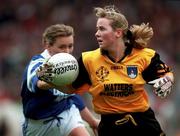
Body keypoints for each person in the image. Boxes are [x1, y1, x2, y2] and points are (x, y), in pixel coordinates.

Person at [37, 5, 174, 136]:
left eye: (102, 29)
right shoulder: (88, 60)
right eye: (97, 29)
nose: (97, 33)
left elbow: (167, 75)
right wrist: (50, 80)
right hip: (110, 128)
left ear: (118, 32)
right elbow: (70, 88)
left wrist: (167, 81)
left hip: (143, 124)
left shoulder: (144, 55)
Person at [20, 24, 99, 136]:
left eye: (70, 46)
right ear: (47, 45)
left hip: (66, 115)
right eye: (62, 47)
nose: (67, 51)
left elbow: (73, 97)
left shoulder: (70, 64)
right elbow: (37, 83)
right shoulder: (39, 64)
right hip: (39, 125)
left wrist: (93, 122)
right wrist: (53, 80)